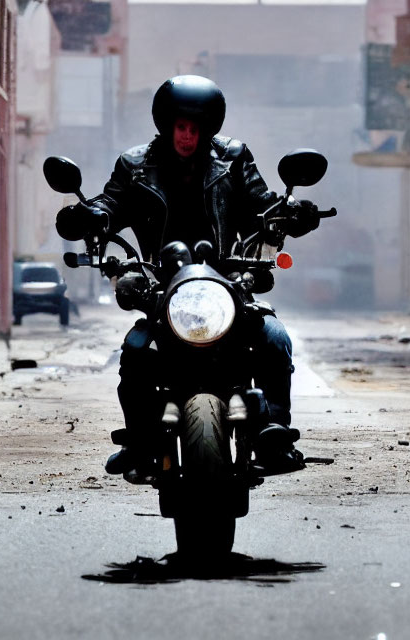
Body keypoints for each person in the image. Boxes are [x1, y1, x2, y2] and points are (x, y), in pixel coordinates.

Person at [57, 75, 319, 478]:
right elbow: (111, 203)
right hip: (162, 285)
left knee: (274, 337)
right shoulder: (135, 165)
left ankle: (274, 432)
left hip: (227, 281)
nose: (187, 135)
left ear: (207, 128)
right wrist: (91, 214)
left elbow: (263, 205)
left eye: (195, 127)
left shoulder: (233, 158)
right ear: (167, 124)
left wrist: (292, 212)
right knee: (137, 351)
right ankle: (141, 441)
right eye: (181, 126)